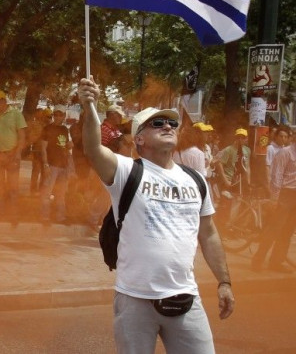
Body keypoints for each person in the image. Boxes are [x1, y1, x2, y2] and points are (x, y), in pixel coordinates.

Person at [79, 77, 234, 354]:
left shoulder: (195, 179)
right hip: (135, 300)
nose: (167, 126)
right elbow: (93, 149)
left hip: (186, 298)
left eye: (172, 123)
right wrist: (90, 106)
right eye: (157, 123)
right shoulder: (128, 171)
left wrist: (224, 281)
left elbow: (208, 233)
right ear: (139, 138)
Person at [252, 128, 296, 273]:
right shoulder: (286, 152)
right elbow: (276, 177)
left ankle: (277, 262)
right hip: (284, 195)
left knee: (287, 232)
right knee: (273, 230)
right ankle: (258, 260)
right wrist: (274, 199)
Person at [0, 90, 27, 223]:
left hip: (12, 154)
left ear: (4, 101)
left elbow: (22, 135)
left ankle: (13, 214)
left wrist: (18, 153)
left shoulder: (16, 114)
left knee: (13, 186)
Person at [39, 106, 73, 224]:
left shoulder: (64, 129)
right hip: (51, 165)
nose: (58, 117)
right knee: (47, 192)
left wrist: (69, 146)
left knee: (61, 193)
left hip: (63, 165)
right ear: (54, 115)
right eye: (56, 114)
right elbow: (43, 148)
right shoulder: (47, 129)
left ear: (64, 116)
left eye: (61, 115)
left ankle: (60, 217)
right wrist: (45, 165)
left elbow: (64, 145)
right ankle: (45, 217)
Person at [213, 128, 251, 229]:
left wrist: (248, 180)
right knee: (226, 203)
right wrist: (225, 180)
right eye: (238, 137)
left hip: (240, 181)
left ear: (246, 139)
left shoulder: (247, 150)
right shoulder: (228, 150)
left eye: (243, 137)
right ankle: (221, 227)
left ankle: (230, 225)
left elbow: (247, 166)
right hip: (229, 180)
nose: (240, 139)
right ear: (235, 137)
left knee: (237, 203)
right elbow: (219, 164)